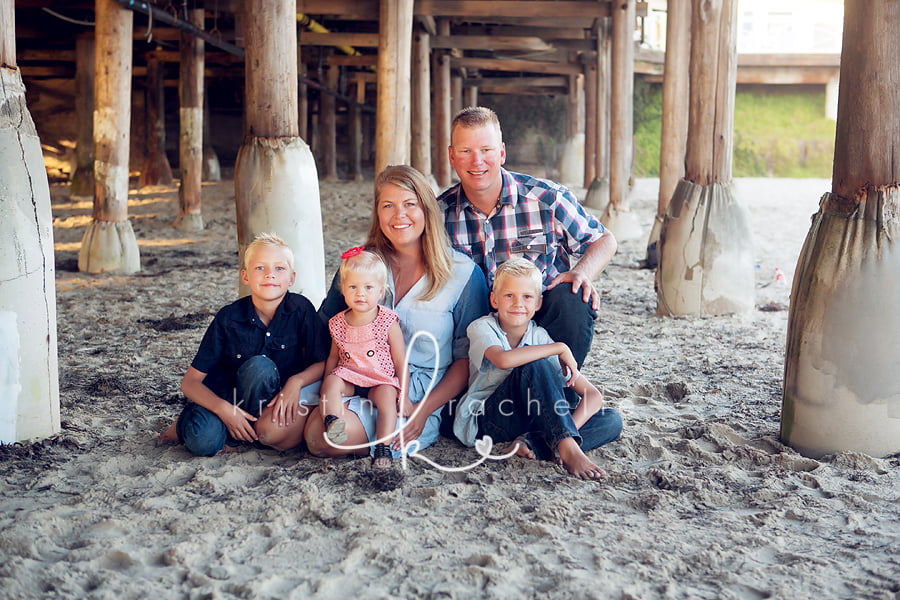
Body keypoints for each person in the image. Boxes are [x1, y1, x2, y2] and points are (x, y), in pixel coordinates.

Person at [307, 164, 490, 459]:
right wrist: (296, 382)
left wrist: (422, 412)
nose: (399, 215)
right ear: (377, 213)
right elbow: (329, 330)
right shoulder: (362, 265)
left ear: (427, 210)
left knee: (322, 440)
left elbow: (465, 361)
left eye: (409, 204)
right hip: (352, 375)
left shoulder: (463, 274)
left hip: (414, 394)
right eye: (387, 205)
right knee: (275, 429)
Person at [438, 106, 618, 369]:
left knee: (573, 297)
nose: (477, 161)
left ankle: (562, 385)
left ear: (501, 153)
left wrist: (582, 272)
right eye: (466, 151)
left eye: (486, 150)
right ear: (452, 156)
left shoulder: (546, 197)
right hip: (477, 327)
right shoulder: (439, 214)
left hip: (539, 316)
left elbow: (604, 240)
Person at [157, 233, 329, 456]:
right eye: (260, 268)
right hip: (225, 400)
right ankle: (185, 425)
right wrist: (224, 410)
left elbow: (322, 361)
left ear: (292, 278)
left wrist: (296, 382)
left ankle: (243, 435)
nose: (270, 275)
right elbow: (190, 383)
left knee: (261, 368)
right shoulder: (228, 318)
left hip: (269, 402)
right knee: (203, 442)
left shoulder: (301, 309)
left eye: (279, 268)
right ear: (245, 276)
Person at [454, 257, 622, 479]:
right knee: (534, 364)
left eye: (527, 297)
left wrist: (569, 429)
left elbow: (592, 395)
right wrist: (559, 348)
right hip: (490, 418)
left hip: (530, 419)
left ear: (538, 303)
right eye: (509, 296)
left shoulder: (539, 336)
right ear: (494, 300)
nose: (518, 303)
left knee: (611, 420)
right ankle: (565, 447)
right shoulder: (482, 327)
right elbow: (502, 360)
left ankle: (537, 443)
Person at [320, 248, 408, 468]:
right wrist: (326, 383)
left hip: (379, 378)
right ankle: (332, 420)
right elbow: (333, 357)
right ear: (343, 291)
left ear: (381, 291)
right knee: (332, 380)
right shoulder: (338, 322)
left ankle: (382, 447)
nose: (360, 294)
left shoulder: (387, 321)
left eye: (368, 287)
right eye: (353, 287)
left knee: (387, 399)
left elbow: (400, 360)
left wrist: (404, 395)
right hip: (350, 375)